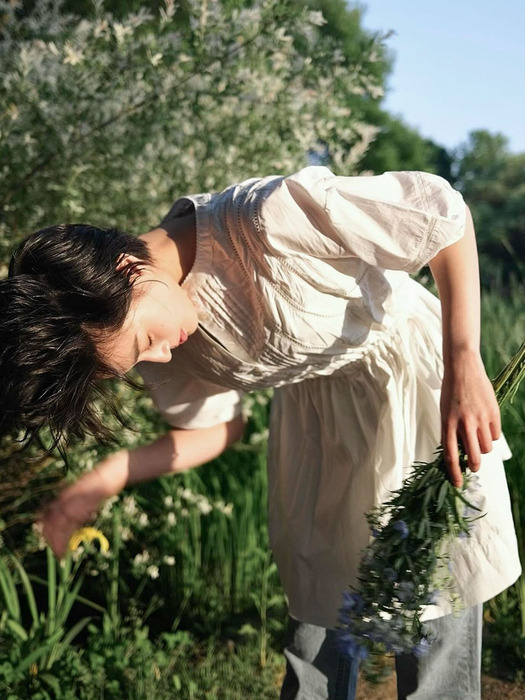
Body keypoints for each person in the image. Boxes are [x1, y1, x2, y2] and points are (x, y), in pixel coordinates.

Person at [1, 165, 521, 699]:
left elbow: (442, 217)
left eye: (141, 343)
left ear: (129, 268)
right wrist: (102, 481)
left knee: (434, 599)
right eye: (135, 360)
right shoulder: (163, 331)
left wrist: (464, 361)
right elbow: (217, 430)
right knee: (317, 619)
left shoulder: (267, 218)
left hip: (415, 385)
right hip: (317, 425)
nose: (158, 357)